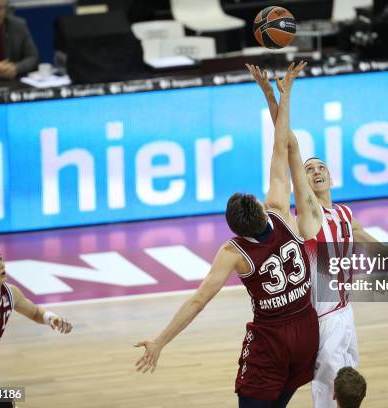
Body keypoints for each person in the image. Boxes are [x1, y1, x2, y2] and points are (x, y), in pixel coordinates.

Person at [246, 63, 388, 408]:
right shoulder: (309, 212)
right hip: (321, 318)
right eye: (309, 169)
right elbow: (289, 147)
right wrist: (275, 97)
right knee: (329, 394)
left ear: (331, 178)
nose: (314, 170)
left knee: (350, 392)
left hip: (345, 314)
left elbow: (385, 250)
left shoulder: (346, 215)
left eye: (321, 167)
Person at [134, 61, 323, 408]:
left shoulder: (233, 252)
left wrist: (160, 341)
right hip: (307, 331)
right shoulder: (280, 211)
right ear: (259, 206)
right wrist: (280, 95)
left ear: (234, 228)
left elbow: (198, 300)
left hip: (273, 340)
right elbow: (282, 145)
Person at [0, 244, 72, 408]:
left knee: (5, 404)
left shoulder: (10, 293)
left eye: (0, 259)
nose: (1, 265)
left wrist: (51, 318)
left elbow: (35, 312)